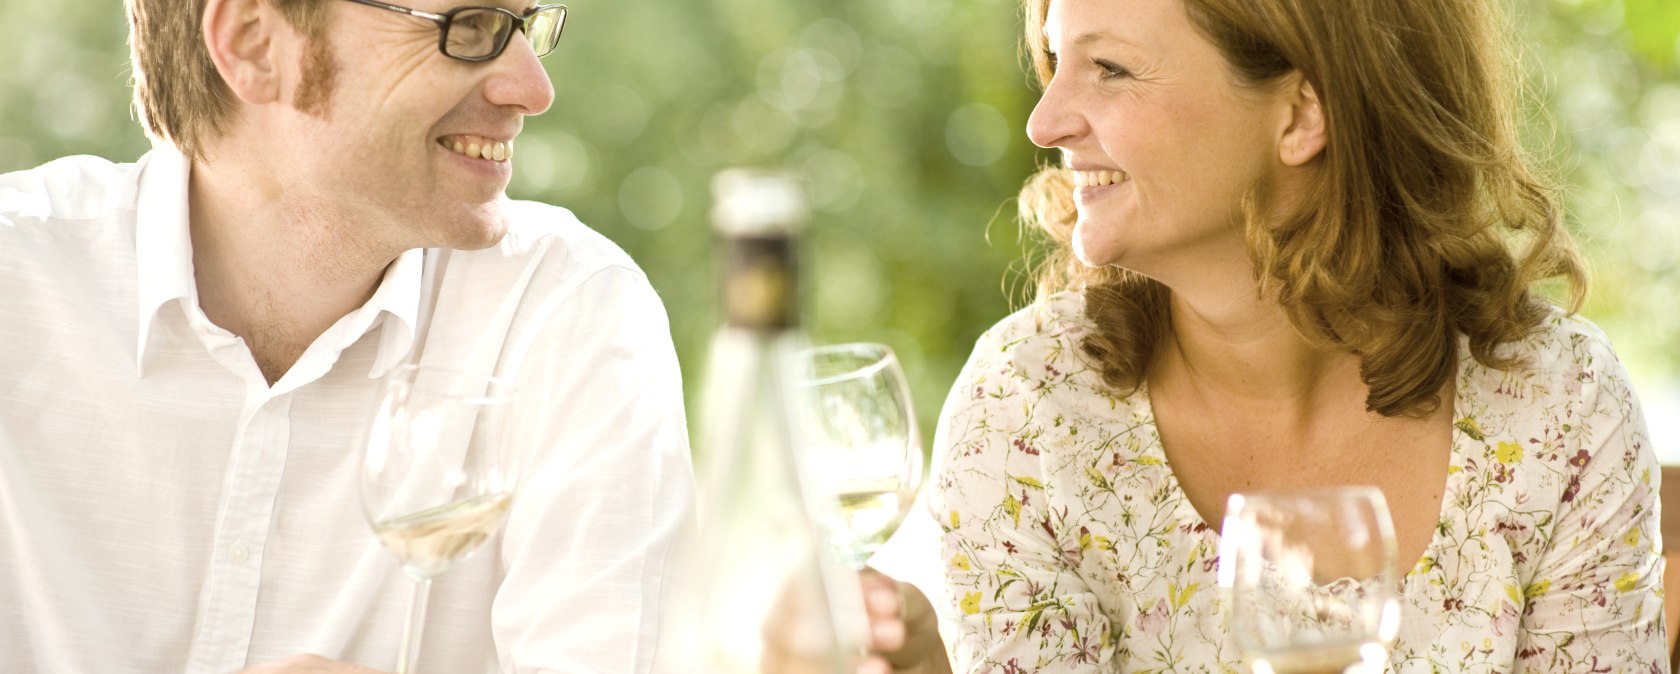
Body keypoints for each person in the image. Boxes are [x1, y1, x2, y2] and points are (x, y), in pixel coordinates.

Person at [859, 0, 1666, 671]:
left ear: (1301, 112)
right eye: (1054, 58)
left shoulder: (1558, 405)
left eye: (1110, 69)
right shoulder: (1028, 411)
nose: (1044, 120)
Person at [0, 0, 691, 672]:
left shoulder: (568, 315)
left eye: (525, 26)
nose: (533, 89)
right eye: (469, 26)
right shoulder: (18, 284)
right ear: (254, 45)